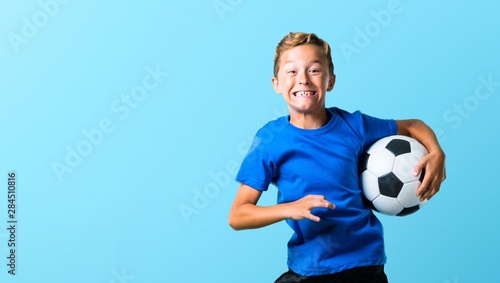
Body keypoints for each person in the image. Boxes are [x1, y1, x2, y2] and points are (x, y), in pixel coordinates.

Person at [228, 32, 446, 283]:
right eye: (292, 71)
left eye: (314, 70)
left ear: (330, 81)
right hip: (310, 267)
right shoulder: (270, 139)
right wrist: (289, 209)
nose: (303, 80)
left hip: (364, 265)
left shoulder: (354, 126)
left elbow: (413, 125)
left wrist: (436, 152)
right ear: (276, 83)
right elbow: (238, 215)